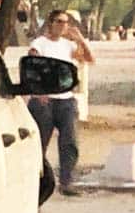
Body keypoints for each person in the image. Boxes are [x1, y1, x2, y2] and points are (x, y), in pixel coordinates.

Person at [27, 10, 94, 197]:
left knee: (70, 142)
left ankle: (67, 181)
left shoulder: (68, 45)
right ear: (50, 23)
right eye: (59, 21)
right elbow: (32, 68)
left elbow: (89, 59)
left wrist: (80, 39)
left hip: (65, 99)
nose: (63, 25)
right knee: (40, 142)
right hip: (45, 100)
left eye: (66, 22)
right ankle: (37, 181)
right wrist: (37, 92)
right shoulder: (39, 44)